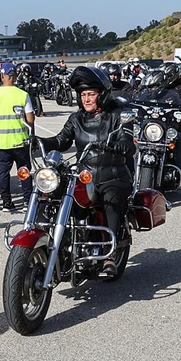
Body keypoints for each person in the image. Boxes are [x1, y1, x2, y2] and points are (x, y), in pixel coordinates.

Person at [37, 67, 133, 247]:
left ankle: (112, 250)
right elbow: (61, 141)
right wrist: (39, 142)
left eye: (91, 94)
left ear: (102, 95)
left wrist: (115, 145)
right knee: (56, 195)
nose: (86, 99)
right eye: (82, 95)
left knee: (110, 199)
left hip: (113, 177)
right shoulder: (76, 118)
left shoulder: (117, 116)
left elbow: (129, 145)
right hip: (83, 177)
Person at [0, 63, 34, 212]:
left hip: (2, 142)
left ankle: (7, 202)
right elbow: (30, 119)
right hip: (20, 140)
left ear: (2, 76)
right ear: (16, 76)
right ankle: (27, 201)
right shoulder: (22, 94)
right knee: (24, 170)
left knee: (4, 172)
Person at [133, 64, 181, 180]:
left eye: (154, 86)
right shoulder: (143, 94)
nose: (152, 89)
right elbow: (135, 103)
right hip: (151, 126)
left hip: (169, 126)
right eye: (150, 87)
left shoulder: (176, 91)